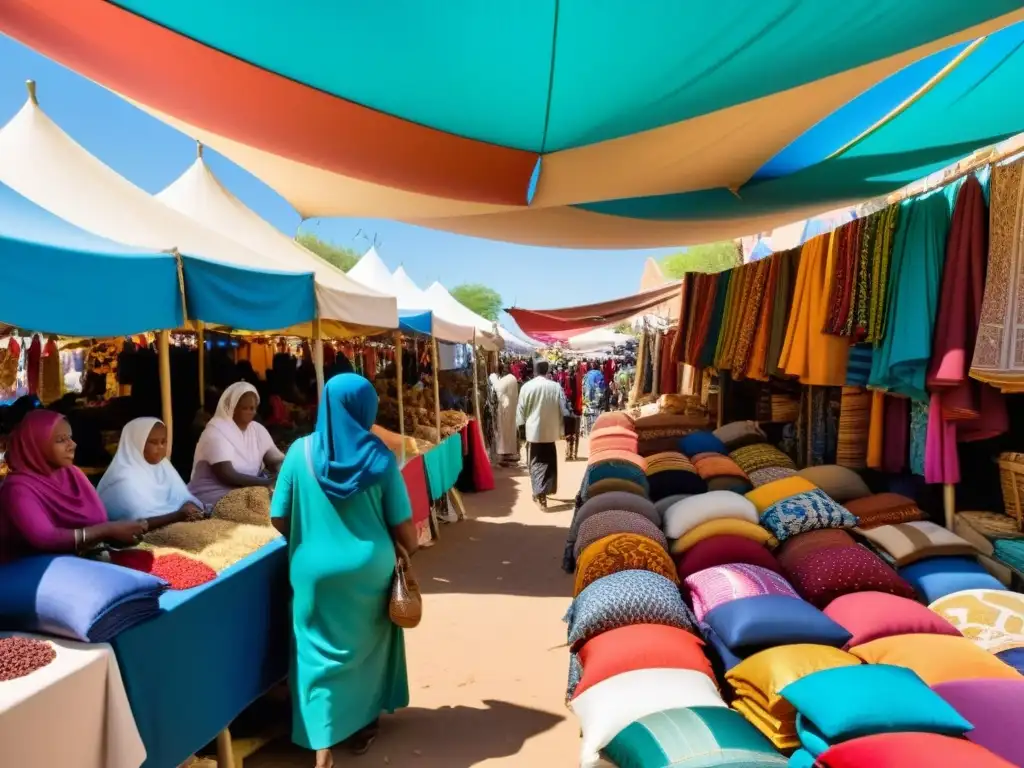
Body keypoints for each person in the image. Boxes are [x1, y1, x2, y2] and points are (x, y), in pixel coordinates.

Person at [271, 374, 418, 767]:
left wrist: (311, 537)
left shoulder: (298, 453)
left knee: (313, 650)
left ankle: (321, 739)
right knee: (368, 649)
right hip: (370, 568)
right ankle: (363, 724)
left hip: (312, 571)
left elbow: (278, 516)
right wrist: (408, 549)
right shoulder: (380, 458)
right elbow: (404, 524)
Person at [0, 410, 146, 561]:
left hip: (84, 559)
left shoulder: (73, 474)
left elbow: (99, 520)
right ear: (36, 444)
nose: (72, 445)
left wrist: (119, 532)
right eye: (61, 440)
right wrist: (107, 530)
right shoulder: (17, 489)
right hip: (33, 569)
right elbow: (45, 537)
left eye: (70, 438)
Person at [188, 382, 284, 507]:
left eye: (253, 408)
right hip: (214, 495)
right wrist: (266, 483)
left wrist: (282, 475)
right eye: (245, 408)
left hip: (248, 490)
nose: (251, 412)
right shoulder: (216, 431)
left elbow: (274, 459)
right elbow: (226, 474)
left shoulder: (257, 429)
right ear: (232, 407)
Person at [97, 417, 205, 526]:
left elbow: (183, 497)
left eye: (164, 441)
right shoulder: (122, 479)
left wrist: (189, 506)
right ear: (136, 443)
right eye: (154, 442)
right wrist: (177, 516)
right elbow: (137, 523)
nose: (161, 447)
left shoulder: (163, 466)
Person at [516, 360, 569, 508]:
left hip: (533, 432)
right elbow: (563, 408)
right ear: (547, 371)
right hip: (551, 431)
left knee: (535, 462)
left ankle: (540, 493)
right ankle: (543, 491)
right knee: (549, 462)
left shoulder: (527, 387)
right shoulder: (555, 386)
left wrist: (521, 429)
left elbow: (521, 410)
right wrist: (563, 427)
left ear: (534, 371)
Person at [492, 363, 520, 466]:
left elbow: (498, 388)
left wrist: (493, 378)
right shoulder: (512, 378)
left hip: (505, 409)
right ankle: (509, 453)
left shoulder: (507, 379)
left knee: (504, 431)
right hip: (510, 408)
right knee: (509, 431)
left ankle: (504, 453)